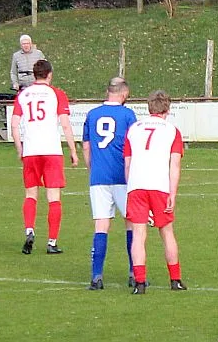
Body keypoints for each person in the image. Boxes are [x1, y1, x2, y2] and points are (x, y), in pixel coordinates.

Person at [10, 59, 78, 254]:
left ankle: (29, 230)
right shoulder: (57, 94)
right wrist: (73, 150)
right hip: (51, 151)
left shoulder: (23, 95)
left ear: (34, 75)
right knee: (53, 197)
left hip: (31, 151)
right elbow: (65, 125)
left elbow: (14, 125)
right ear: (50, 74)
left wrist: (19, 148)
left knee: (31, 194)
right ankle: (52, 242)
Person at [124, 90, 185, 294]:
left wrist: (131, 186)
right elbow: (174, 165)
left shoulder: (134, 129)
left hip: (136, 186)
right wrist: (172, 194)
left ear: (149, 106)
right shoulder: (172, 131)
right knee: (167, 232)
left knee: (138, 234)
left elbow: (127, 164)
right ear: (167, 108)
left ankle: (140, 283)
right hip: (159, 186)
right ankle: (175, 280)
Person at [82, 77, 139, 290]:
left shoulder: (92, 114)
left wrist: (93, 169)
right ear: (124, 94)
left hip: (99, 177)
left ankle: (96, 276)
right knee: (132, 223)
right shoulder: (128, 115)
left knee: (101, 225)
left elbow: (86, 146)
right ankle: (134, 273)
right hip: (123, 177)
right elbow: (133, 147)